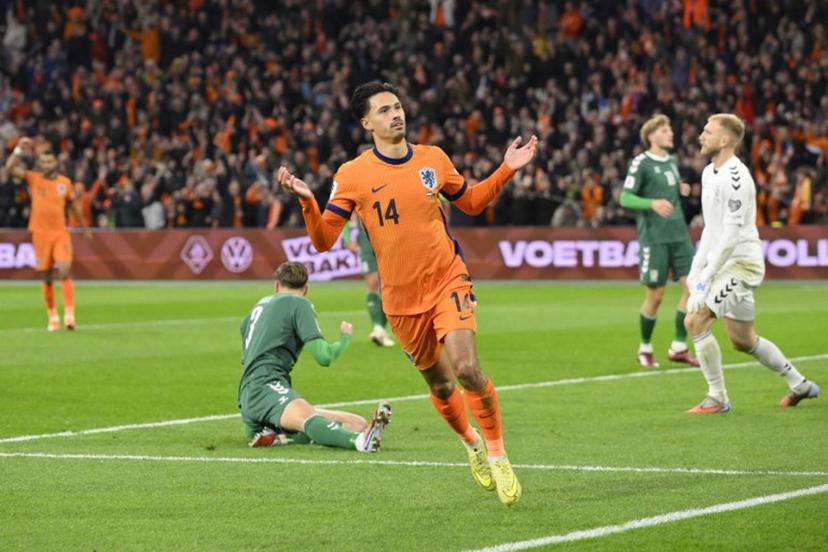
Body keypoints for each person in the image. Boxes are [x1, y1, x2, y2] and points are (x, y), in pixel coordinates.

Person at [277, 81, 538, 506]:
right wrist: (308, 201)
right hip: (400, 300)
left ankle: (497, 454)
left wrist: (507, 167)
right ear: (367, 123)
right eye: (383, 110)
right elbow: (324, 240)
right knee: (439, 385)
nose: (395, 114)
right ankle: (471, 444)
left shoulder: (432, 159)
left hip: (447, 279)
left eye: (397, 107)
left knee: (467, 368)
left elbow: (470, 203)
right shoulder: (352, 175)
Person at [684, 114, 820, 413]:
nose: (700, 136)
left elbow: (731, 235)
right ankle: (799, 383)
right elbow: (711, 228)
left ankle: (717, 398)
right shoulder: (709, 173)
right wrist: (696, 270)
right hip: (724, 265)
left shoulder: (737, 177)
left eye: (707, 132)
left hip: (742, 265)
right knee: (743, 340)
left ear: (724, 140)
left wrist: (706, 279)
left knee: (694, 320)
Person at [239, 261, 391, 451]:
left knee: (356, 423)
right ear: (306, 289)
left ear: (276, 286)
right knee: (308, 419)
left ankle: (279, 438)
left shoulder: (258, 307)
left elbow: (246, 346)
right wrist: (344, 339)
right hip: (267, 387)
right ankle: (360, 443)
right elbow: (324, 356)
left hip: (250, 392)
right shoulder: (300, 304)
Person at [620, 115, 699, 368]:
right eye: (665, 130)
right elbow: (625, 198)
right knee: (656, 295)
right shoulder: (641, 163)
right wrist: (651, 203)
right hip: (655, 238)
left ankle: (678, 346)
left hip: (680, 236)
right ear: (652, 136)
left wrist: (681, 189)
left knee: (694, 289)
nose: (671, 134)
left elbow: (669, 188)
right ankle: (644, 347)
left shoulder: (672, 162)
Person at [5, 138, 92, 331]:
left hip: (60, 233)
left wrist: (84, 228)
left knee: (64, 269)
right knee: (46, 276)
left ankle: (69, 314)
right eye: (43, 162)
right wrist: (19, 148)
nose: (45, 165)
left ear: (56, 163)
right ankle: (53, 316)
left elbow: (72, 206)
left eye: (49, 162)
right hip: (39, 234)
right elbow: (10, 168)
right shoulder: (34, 178)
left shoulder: (65, 183)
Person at [341, 215, 395, 347]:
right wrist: (348, 239)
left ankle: (381, 330)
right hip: (366, 241)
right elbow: (344, 213)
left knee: (389, 285)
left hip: (390, 237)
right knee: (372, 281)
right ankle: (377, 327)